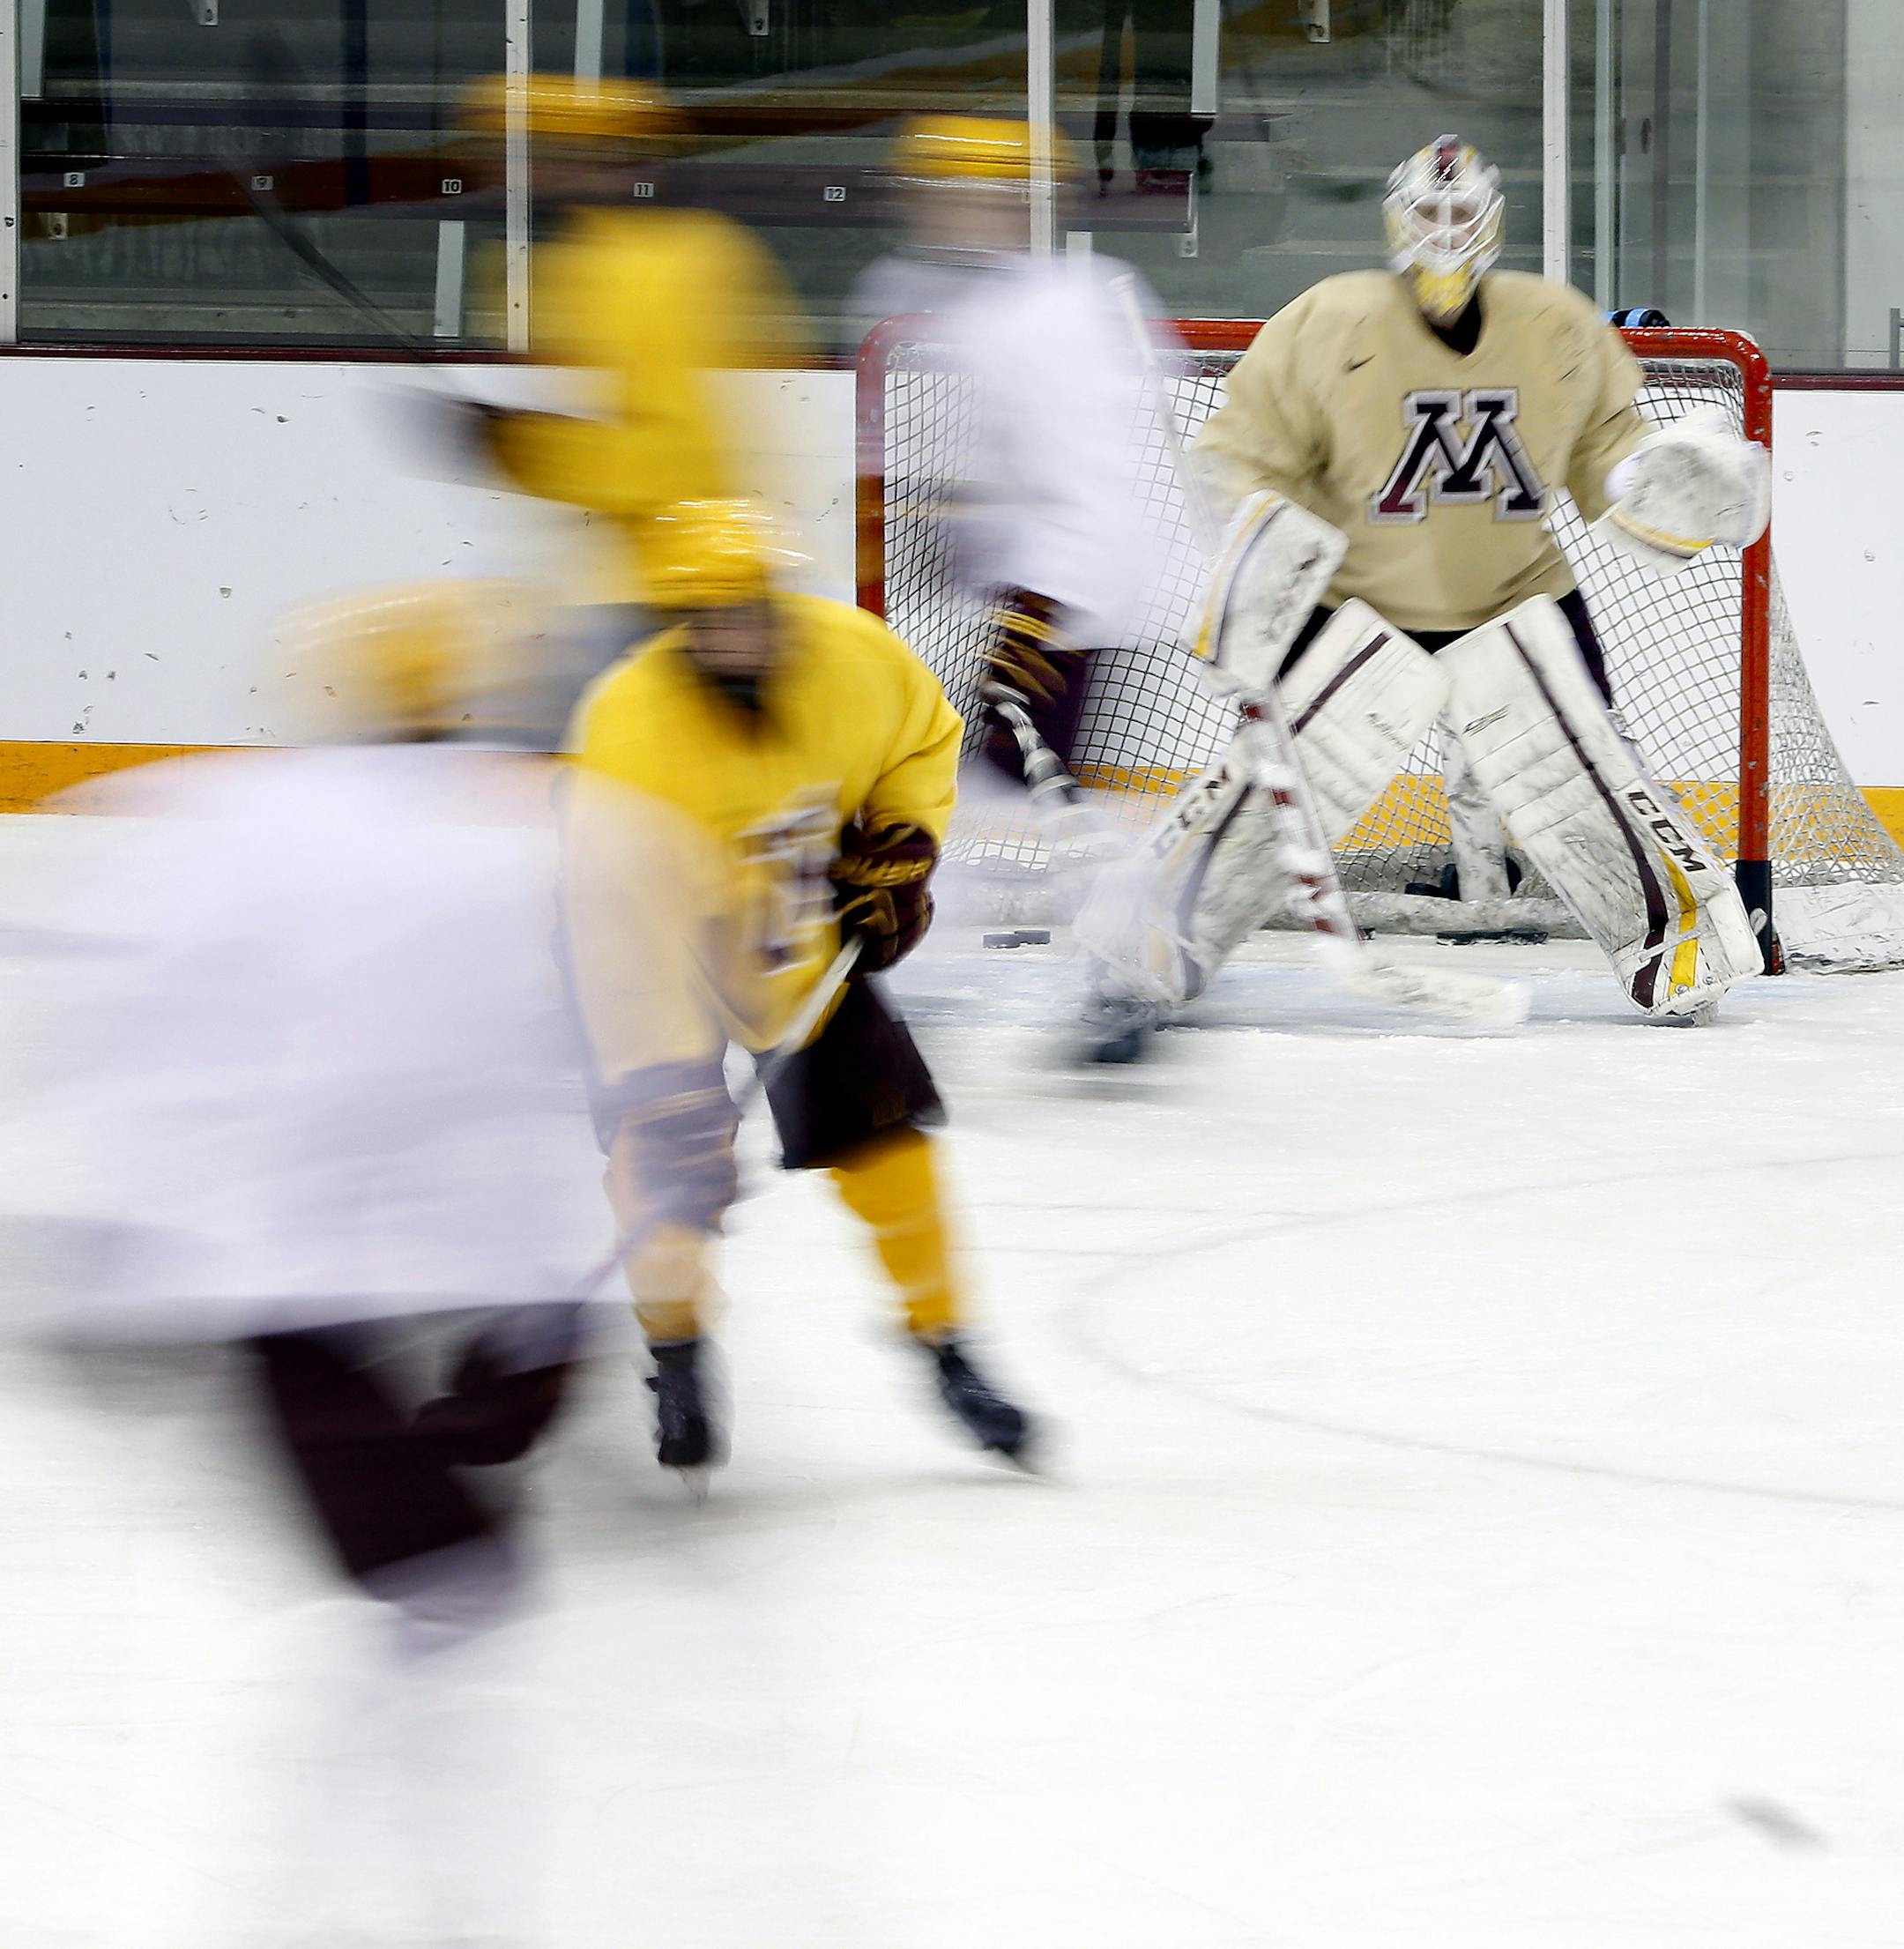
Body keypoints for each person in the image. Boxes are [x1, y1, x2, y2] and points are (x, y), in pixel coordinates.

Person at [29, 583, 603, 1944]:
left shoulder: (222, 820)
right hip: (465, 1283)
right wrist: (561, 1310)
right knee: (449, 1597)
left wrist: (105, 1255)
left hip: (285, 1288)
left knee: (436, 1598)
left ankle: (352, 1894)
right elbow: (567, 1069)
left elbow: (147, 1044)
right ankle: (390, 1899)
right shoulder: (520, 830)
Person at [1079, 132, 1769, 1048]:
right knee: (1274, 783)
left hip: (1516, 596)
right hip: (1360, 602)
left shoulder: (1555, 323)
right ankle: (1150, 938)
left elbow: (1606, 451)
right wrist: (1259, 545)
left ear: (1493, 221)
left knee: (1590, 778)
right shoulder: (1329, 319)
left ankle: (1684, 946)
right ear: (1396, 220)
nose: (1445, 231)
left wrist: (1658, 478)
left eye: (1461, 212)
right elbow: (1242, 451)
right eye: (1428, 212)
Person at [560, 498, 1037, 1476]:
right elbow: (612, 930)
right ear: (679, 626)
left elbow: (924, 742)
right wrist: (666, 1085)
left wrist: (906, 841)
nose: (742, 631)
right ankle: (679, 1352)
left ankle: (946, 1344)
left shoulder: (856, 658)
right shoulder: (628, 729)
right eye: (714, 617)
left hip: (809, 946)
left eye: (755, 605)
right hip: (660, 965)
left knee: (890, 1147)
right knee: (662, 1174)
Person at [853, 115, 1171, 804]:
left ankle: (1059, 894)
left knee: (1015, 779)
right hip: (1049, 584)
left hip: (1059, 587)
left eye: (965, 195)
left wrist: (981, 537)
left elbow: (1073, 471)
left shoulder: (1047, 308)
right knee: (1016, 771)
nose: (941, 212)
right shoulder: (1015, 297)